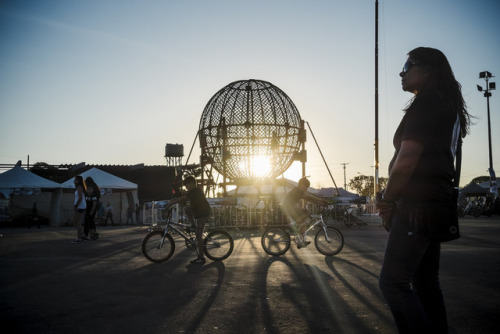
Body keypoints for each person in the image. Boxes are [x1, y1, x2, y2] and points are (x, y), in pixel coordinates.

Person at [376, 47, 471, 333]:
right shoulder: (446, 104)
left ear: (428, 69)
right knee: (426, 283)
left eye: (408, 65)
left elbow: (407, 160)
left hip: (416, 204)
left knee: (393, 282)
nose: (402, 71)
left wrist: (389, 199)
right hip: (435, 204)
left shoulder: (428, 100)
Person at [167, 176, 210, 264]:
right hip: (198, 211)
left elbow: (183, 198)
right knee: (186, 209)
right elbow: (183, 197)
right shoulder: (193, 191)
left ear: (192, 184)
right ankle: (193, 225)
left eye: (187, 185)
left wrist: (172, 202)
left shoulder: (195, 191)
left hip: (203, 213)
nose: (186, 187)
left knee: (198, 235)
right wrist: (175, 199)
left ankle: (201, 258)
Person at [281, 177, 313, 248]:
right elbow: (308, 198)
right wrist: (321, 201)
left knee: (303, 222)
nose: (306, 189)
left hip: (291, 208)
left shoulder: (297, 190)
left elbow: (306, 199)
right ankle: (293, 224)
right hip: (289, 208)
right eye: (306, 187)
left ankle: (301, 241)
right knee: (307, 213)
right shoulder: (297, 191)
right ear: (302, 185)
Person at [72, 175, 87, 243]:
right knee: (77, 222)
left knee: (76, 222)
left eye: (74, 179)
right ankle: (82, 235)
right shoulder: (79, 187)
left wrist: (76, 205)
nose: (73, 180)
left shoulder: (79, 187)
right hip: (80, 206)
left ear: (77, 180)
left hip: (80, 206)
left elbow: (80, 197)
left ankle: (79, 237)